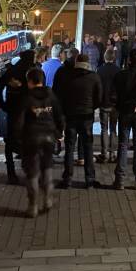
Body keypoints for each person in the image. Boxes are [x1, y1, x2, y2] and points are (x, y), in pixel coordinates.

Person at [19, 66, 64, 217]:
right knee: (47, 167)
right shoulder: (51, 95)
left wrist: (18, 137)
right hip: (49, 136)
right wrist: (59, 132)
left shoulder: (26, 97)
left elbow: (19, 121)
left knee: (32, 172)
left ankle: (33, 206)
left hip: (31, 138)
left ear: (30, 81)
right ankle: (48, 200)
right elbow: (59, 115)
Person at [58, 54, 102, 189]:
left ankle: (67, 179)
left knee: (69, 148)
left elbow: (61, 96)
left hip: (70, 116)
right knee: (88, 148)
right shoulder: (94, 77)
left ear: (76, 62)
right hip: (86, 116)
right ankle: (89, 179)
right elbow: (99, 98)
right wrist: (90, 107)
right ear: (88, 63)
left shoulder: (67, 76)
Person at [0, 50, 35, 184]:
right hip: (28, 111)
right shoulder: (32, 71)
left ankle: (11, 174)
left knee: (10, 141)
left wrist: (2, 103)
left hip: (12, 109)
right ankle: (29, 171)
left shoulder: (12, 70)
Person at [113, 48, 136, 190]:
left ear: (129, 60)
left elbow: (114, 94)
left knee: (123, 144)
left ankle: (120, 180)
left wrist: (119, 107)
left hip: (125, 112)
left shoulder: (121, 75)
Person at [96, 48, 119, 163]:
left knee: (104, 129)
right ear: (113, 58)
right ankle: (112, 153)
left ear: (105, 57)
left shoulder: (99, 70)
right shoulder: (118, 70)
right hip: (114, 104)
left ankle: (104, 153)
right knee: (113, 129)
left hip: (103, 103)